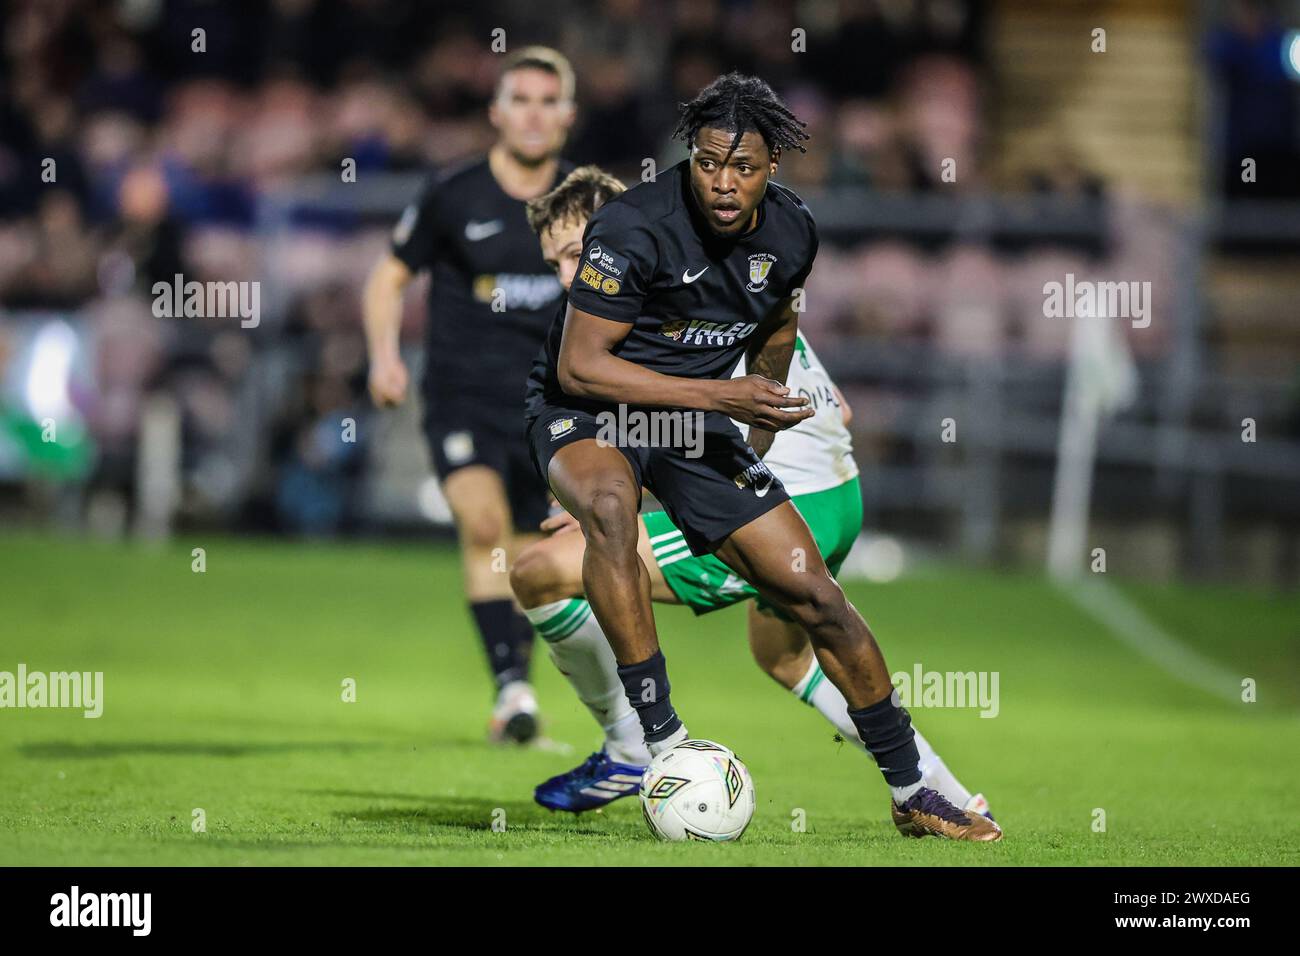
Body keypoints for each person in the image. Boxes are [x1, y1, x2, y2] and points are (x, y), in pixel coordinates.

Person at [522, 74, 1000, 840]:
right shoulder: (632, 226)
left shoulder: (791, 231)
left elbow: (779, 316)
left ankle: (915, 788)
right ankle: (660, 742)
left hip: (694, 418)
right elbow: (580, 368)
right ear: (690, 155)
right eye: (708, 162)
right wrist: (727, 399)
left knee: (814, 594)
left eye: (742, 167)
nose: (722, 181)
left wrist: (764, 404)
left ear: (772, 164)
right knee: (608, 510)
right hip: (589, 410)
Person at [362, 47, 576, 743]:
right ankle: (513, 689)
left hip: (552, 410)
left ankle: (517, 692)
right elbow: (388, 278)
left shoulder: (588, 202)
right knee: (483, 529)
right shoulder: (454, 193)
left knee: (528, 555)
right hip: (462, 398)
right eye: (521, 99)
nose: (534, 114)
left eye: (549, 100)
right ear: (495, 112)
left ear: (568, 116)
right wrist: (384, 358)